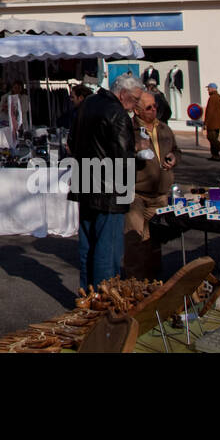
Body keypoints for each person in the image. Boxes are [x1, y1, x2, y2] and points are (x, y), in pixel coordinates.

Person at [69, 73, 138, 289]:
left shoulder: (88, 104)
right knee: (106, 253)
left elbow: (71, 141)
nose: (135, 105)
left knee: (88, 247)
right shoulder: (117, 113)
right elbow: (123, 158)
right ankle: (103, 304)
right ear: (123, 93)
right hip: (109, 191)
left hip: (85, 184)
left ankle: (87, 300)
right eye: (135, 99)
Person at [123, 90, 178, 280]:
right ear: (137, 111)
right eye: (149, 107)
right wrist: (135, 150)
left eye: (155, 106)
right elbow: (118, 156)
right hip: (136, 193)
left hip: (160, 194)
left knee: (154, 240)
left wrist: (174, 157)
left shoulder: (163, 129)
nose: (154, 110)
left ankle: (153, 281)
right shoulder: (128, 130)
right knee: (134, 239)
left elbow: (176, 150)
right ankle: (134, 283)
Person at [57, 84, 92, 154]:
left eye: (73, 97)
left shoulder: (79, 114)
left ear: (81, 98)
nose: (71, 100)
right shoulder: (91, 111)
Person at [203, 83, 220, 160]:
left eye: (208, 88)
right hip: (218, 123)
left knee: (211, 138)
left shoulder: (212, 98)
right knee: (214, 138)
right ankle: (215, 155)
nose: (208, 90)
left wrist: (206, 123)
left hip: (212, 123)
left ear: (212, 89)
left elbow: (209, 112)